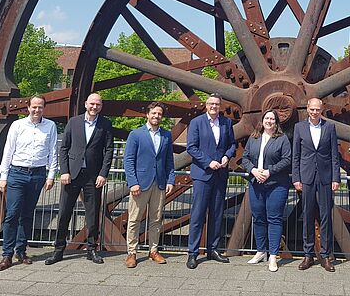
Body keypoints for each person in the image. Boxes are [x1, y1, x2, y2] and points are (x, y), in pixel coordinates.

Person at [45, 93, 114, 265]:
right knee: (64, 213)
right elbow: (64, 148)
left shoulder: (105, 124)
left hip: (93, 176)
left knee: (92, 214)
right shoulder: (74, 122)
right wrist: (65, 171)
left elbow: (108, 151)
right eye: (92, 103)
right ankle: (58, 250)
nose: (94, 107)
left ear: (101, 106)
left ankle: (92, 250)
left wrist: (103, 173)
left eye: (97, 104)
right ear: (85, 104)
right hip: (72, 175)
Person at [0, 95, 58, 271]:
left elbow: (53, 151)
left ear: (44, 109)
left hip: (38, 174)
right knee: (12, 213)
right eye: (34, 107)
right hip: (17, 173)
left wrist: (51, 175)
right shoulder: (18, 125)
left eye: (40, 107)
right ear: (28, 108)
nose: (37, 110)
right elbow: (8, 150)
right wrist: (4, 176)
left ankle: (21, 251)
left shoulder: (50, 126)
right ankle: (7, 254)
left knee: (28, 214)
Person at [186, 93, 237, 269]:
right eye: (211, 104)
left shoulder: (226, 123)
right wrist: (209, 162)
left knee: (217, 213)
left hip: (220, 174)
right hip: (202, 174)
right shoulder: (197, 123)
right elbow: (191, 147)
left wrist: (226, 156)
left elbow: (232, 144)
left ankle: (213, 249)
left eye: (217, 104)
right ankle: (192, 253)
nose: (214, 106)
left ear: (220, 106)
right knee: (198, 214)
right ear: (206, 105)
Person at [123, 101, 175, 268]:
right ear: (147, 114)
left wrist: (170, 180)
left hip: (159, 182)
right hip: (140, 184)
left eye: (159, 114)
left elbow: (169, 161)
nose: (156, 116)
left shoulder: (166, 135)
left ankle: (153, 250)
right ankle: (131, 253)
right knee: (134, 219)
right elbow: (128, 160)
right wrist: (133, 183)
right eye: (154, 113)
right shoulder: (136, 134)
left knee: (156, 219)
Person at [292, 97, 340, 272]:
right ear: (307, 109)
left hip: (326, 177)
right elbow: (296, 155)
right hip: (306, 177)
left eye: (317, 110)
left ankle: (326, 256)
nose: (314, 112)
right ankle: (308, 255)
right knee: (307, 215)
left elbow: (335, 155)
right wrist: (296, 178)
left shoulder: (329, 127)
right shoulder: (299, 127)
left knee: (326, 216)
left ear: (322, 110)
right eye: (312, 109)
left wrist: (336, 178)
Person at [241, 109, 291, 272]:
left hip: (276, 184)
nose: (269, 121)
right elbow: (245, 157)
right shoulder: (254, 138)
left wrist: (270, 171)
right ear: (262, 121)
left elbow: (287, 159)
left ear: (276, 123)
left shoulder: (282, 139)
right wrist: (254, 170)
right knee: (259, 217)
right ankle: (261, 251)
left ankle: (273, 256)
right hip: (256, 182)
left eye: (272, 119)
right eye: (267, 118)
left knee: (274, 218)